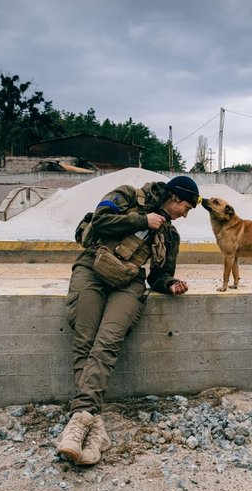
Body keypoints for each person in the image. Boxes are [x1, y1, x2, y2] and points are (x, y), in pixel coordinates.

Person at [55, 175, 201, 465]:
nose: (185, 214)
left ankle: (79, 421)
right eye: (186, 207)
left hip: (130, 282)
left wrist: (170, 284)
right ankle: (93, 427)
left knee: (107, 341)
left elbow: (159, 275)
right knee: (84, 341)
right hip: (93, 267)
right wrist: (142, 221)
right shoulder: (127, 196)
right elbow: (100, 221)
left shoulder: (171, 235)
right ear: (175, 198)